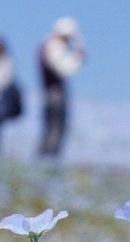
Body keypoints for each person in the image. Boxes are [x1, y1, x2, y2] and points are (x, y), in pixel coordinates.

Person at [38, 17, 84, 158]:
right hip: (55, 93)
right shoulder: (54, 46)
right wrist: (77, 57)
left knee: (50, 127)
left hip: (50, 92)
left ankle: (45, 158)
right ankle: (48, 158)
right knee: (56, 127)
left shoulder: (47, 44)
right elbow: (64, 70)